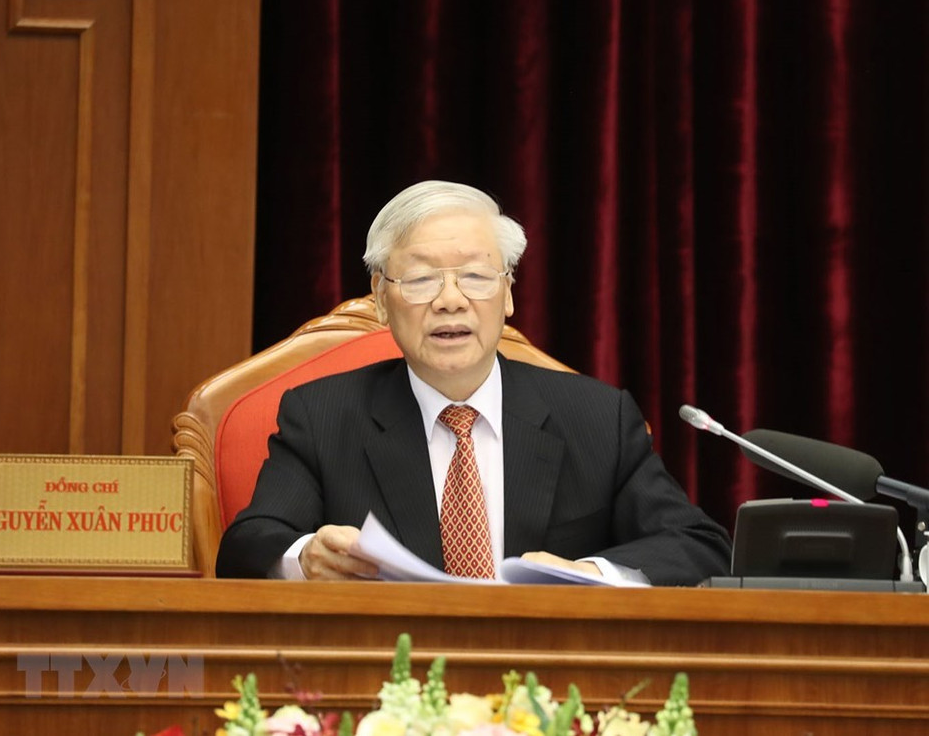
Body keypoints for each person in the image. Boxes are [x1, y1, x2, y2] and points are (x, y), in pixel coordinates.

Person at [215, 180, 731, 585]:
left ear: (507, 294)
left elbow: (699, 546)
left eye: (477, 277)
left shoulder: (597, 418)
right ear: (380, 297)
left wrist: (593, 574)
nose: (450, 300)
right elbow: (247, 545)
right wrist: (306, 558)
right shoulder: (323, 416)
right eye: (420, 279)